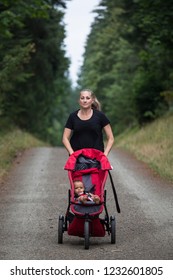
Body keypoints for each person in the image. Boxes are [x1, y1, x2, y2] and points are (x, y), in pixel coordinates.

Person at [62, 89, 114, 156]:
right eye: (82, 98)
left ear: (92, 100)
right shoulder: (72, 116)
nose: (85, 100)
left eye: (88, 98)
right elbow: (65, 138)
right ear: (79, 101)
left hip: (96, 157)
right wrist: (72, 153)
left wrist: (105, 154)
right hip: (77, 157)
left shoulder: (100, 116)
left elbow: (111, 138)